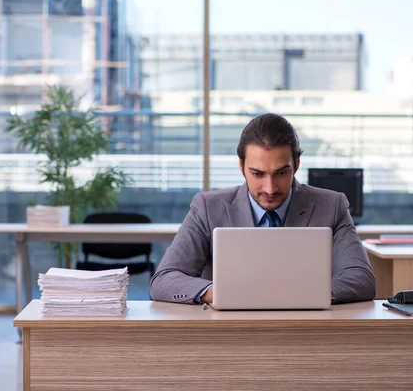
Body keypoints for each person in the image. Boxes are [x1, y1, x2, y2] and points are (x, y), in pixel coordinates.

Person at [149, 113, 376, 304]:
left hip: (307, 334)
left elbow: (361, 278)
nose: (269, 188)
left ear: (296, 164)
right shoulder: (208, 208)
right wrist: (217, 293)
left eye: (281, 172)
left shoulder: (331, 205)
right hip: (230, 335)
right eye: (258, 174)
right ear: (241, 166)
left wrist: (295, 295)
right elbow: (164, 279)